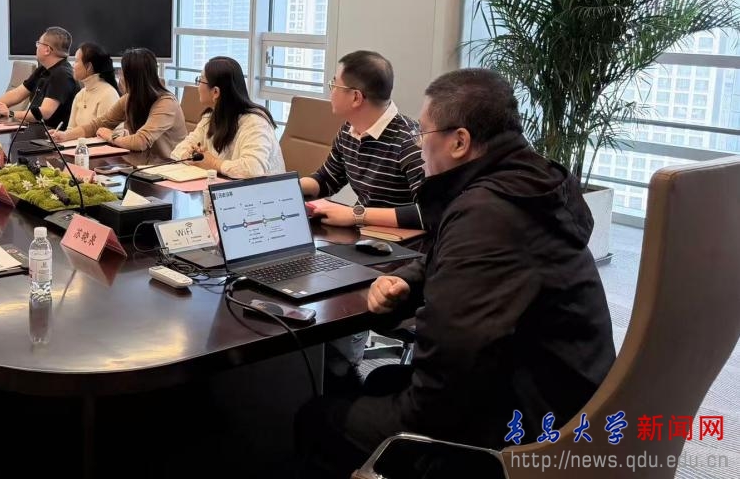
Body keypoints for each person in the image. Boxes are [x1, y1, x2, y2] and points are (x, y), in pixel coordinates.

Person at [295, 69, 615, 479]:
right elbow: (451, 261)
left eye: (423, 133)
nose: (418, 145)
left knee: (316, 418)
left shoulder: (486, 215)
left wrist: (403, 420)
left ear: (459, 142)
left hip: (528, 430)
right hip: (569, 399)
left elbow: (444, 380)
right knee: (382, 380)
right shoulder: (530, 185)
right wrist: (408, 280)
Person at [300, 51, 426, 230]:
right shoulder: (349, 130)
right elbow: (327, 179)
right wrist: (288, 187)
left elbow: (427, 213)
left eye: (335, 84)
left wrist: (356, 214)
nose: (331, 90)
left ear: (356, 97)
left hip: (397, 240)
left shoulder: (410, 141)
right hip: (363, 233)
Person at [52, 48, 186, 166]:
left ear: (133, 77)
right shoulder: (129, 98)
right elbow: (98, 124)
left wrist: (111, 136)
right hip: (140, 166)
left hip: (168, 169)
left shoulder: (166, 103)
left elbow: (141, 141)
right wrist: (65, 136)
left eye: (122, 73)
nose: (120, 77)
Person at [171, 56, 284, 178]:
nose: (198, 87)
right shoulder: (209, 117)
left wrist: (213, 163)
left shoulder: (255, 122)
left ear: (215, 92)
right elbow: (177, 151)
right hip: (224, 186)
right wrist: (190, 156)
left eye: (200, 81)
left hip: (265, 189)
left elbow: (253, 169)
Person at [0, 26, 80, 130]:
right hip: (36, 129)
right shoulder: (43, 69)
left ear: (47, 50)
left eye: (39, 43)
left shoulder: (62, 75)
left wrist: (11, 113)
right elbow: (18, 94)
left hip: (52, 134)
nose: (36, 47)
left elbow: (45, 112)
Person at [66, 42, 120, 131]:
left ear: (89, 66)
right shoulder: (80, 94)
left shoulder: (108, 94)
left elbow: (103, 134)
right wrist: (60, 136)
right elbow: (70, 130)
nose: (73, 65)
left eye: (76, 61)